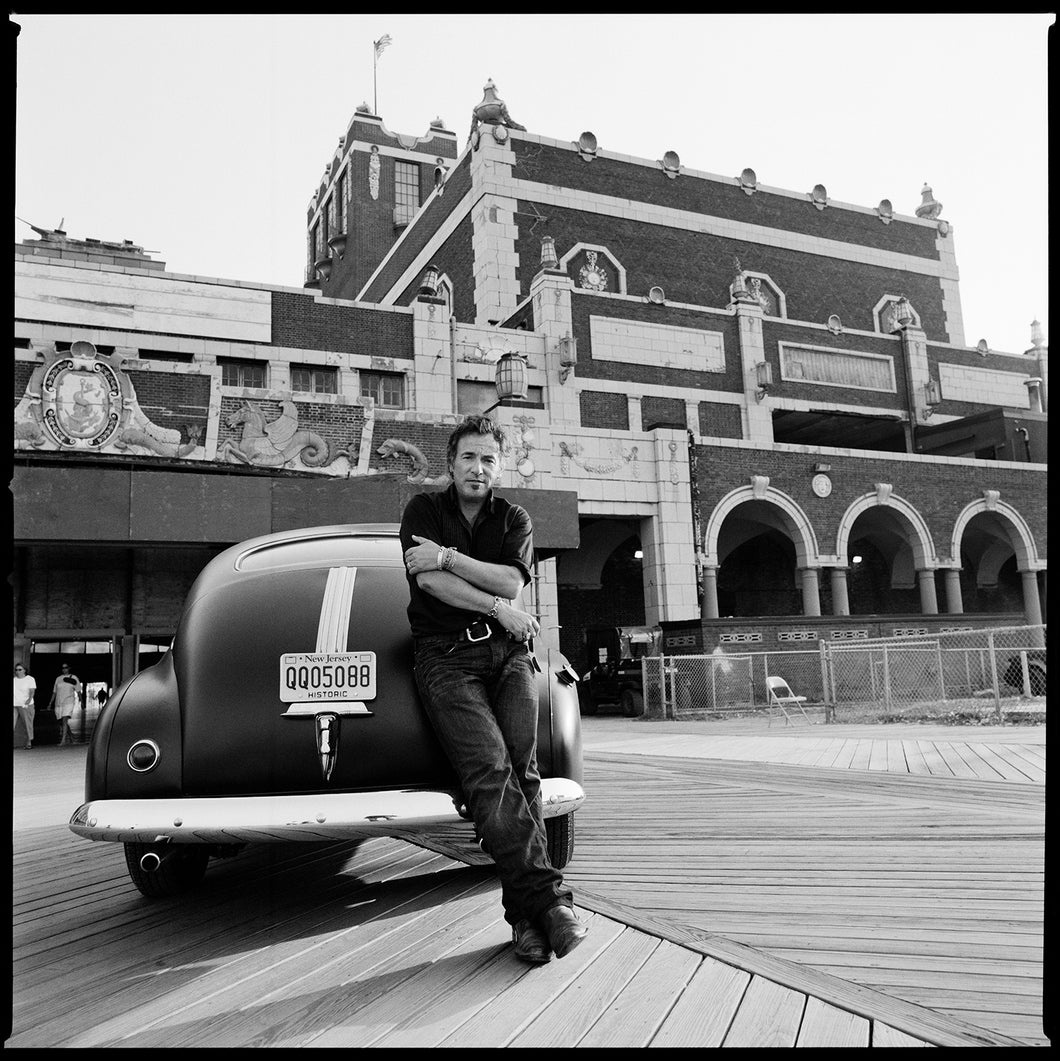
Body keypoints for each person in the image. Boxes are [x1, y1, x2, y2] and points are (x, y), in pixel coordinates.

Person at [400, 414, 588, 965]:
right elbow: (428, 580)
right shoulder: (422, 511)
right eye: (468, 458)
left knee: (524, 777)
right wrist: (497, 608)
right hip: (445, 658)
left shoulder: (514, 518)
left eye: (488, 459)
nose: (477, 468)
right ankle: (552, 904)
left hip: (509, 658)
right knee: (490, 774)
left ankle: (524, 924)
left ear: (498, 467)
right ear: (450, 463)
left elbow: (511, 578)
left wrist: (451, 558)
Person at [49, 663, 81, 746]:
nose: (64, 669)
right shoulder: (58, 679)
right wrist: (50, 703)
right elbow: (54, 692)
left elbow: (78, 690)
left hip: (69, 701)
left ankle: (63, 740)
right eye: (62, 668)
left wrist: (82, 701)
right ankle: (71, 736)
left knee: (64, 719)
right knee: (61, 721)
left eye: (66, 667)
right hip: (58, 702)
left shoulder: (74, 678)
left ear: (69, 668)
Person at [13, 664, 36, 750]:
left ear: (24, 670)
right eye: (16, 670)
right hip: (14, 704)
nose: (17, 671)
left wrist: (29, 700)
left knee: (27, 724)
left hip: (26, 705)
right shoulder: (14, 680)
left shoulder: (30, 679)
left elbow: (32, 691)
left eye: (20, 669)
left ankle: (29, 742)